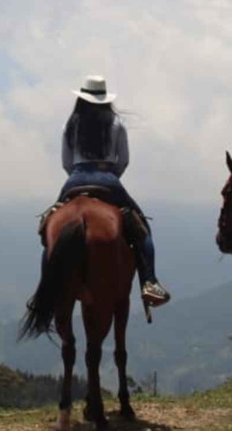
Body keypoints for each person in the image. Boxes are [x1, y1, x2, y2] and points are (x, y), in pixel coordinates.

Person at [50, 75, 170, 308]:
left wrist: (77, 179)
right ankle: (149, 282)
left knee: (48, 227)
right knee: (141, 227)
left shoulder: (70, 124)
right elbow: (123, 160)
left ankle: (46, 286)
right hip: (108, 178)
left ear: (81, 98)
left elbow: (66, 162)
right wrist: (109, 179)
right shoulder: (117, 123)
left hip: (75, 178)